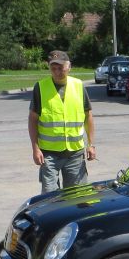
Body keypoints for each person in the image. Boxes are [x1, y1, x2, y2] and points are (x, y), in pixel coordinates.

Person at [29, 50, 96, 193]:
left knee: (78, 195)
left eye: (60, 68)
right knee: (50, 196)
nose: (57, 72)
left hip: (74, 153)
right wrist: (35, 148)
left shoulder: (78, 86)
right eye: (53, 68)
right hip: (49, 154)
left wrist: (91, 145)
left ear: (69, 67)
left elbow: (88, 116)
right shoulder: (40, 87)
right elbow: (32, 119)